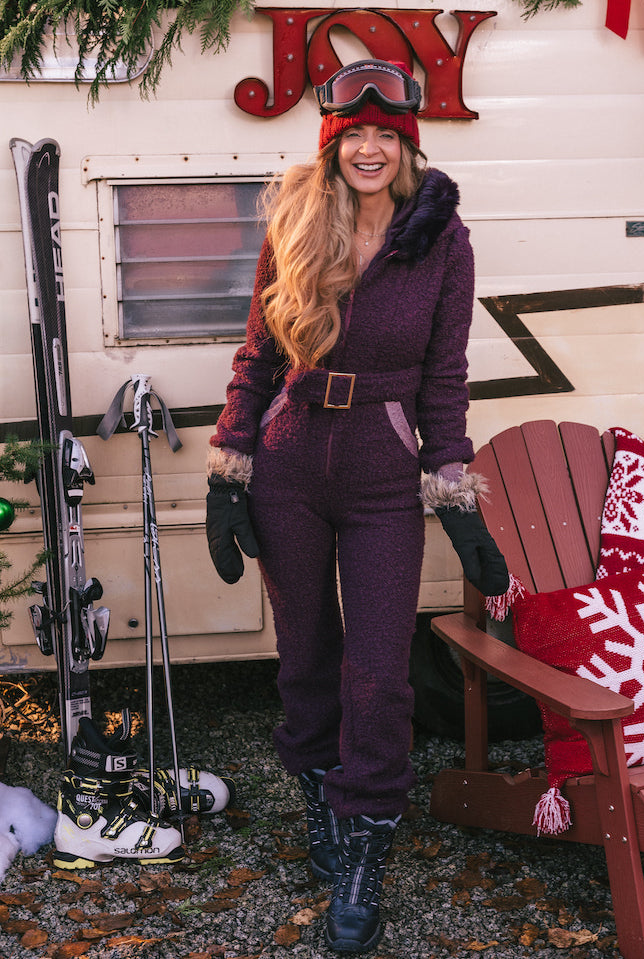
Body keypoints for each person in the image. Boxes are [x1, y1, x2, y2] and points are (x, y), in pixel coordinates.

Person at [205, 59, 509, 953]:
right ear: (333, 144)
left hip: (383, 466)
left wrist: (451, 488)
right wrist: (232, 466)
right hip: (291, 457)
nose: (370, 148)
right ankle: (323, 809)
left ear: (407, 142)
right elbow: (257, 357)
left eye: (387, 134)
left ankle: (368, 836)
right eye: (354, 136)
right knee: (305, 652)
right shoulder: (296, 221)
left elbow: (444, 375)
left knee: (378, 668)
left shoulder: (442, 240)